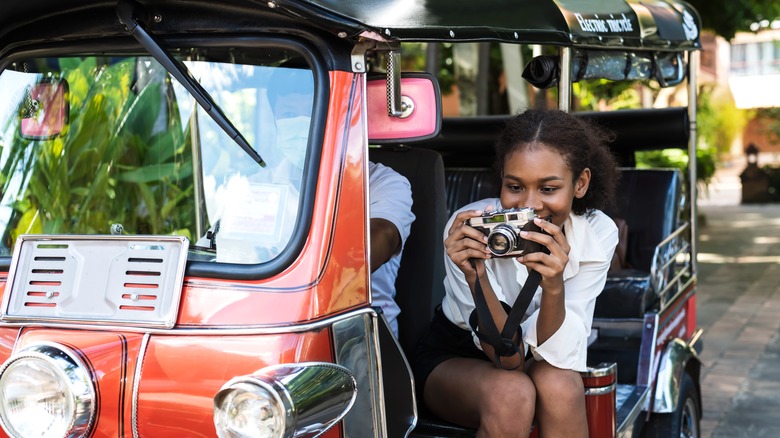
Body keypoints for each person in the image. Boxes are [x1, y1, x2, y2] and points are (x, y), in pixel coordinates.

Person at [413, 108, 619, 437]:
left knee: (561, 385)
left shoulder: (596, 233)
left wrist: (553, 286)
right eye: (515, 187)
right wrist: (476, 276)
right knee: (512, 393)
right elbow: (508, 361)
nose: (529, 205)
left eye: (548, 189)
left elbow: (561, 354)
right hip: (456, 355)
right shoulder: (470, 228)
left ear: (580, 183)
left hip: (543, 356)